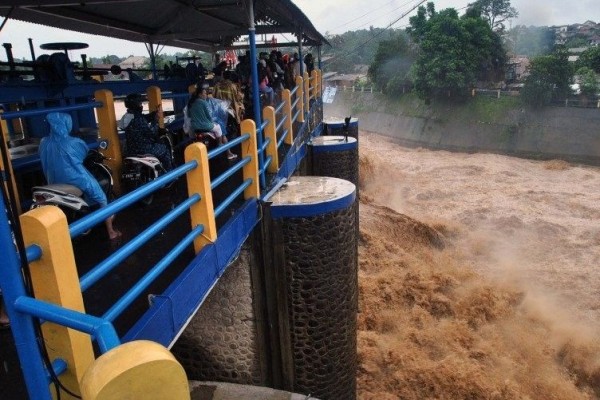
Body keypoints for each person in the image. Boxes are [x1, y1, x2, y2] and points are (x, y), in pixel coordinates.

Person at [39, 112, 121, 240]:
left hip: (52, 181)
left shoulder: (43, 142)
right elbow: (84, 154)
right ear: (67, 124)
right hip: (75, 178)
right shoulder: (73, 142)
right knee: (102, 198)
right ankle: (111, 232)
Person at [119, 93, 173, 171]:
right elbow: (152, 133)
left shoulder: (127, 117)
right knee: (164, 149)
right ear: (136, 105)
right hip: (145, 149)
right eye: (140, 103)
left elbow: (143, 118)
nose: (141, 105)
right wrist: (156, 120)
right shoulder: (138, 119)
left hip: (131, 150)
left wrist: (154, 114)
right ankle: (170, 173)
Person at [187, 84, 237, 160]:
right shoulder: (205, 102)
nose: (206, 94)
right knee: (220, 129)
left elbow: (189, 115)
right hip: (206, 125)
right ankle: (224, 148)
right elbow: (209, 116)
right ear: (200, 94)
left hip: (194, 127)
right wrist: (211, 121)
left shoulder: (190, 103)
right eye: (205, 93)